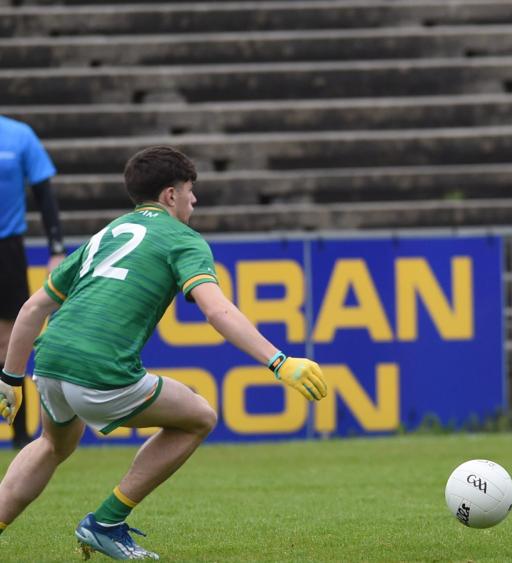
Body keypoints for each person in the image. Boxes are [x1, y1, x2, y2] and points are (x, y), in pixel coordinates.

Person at [0, 146, 328, 560]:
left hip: (49, 362)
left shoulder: (107, 233)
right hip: (99, 370)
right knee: (199, 417)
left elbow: (33, 308)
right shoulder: (182, 239)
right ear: (170, 195)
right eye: (191, 190)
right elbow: (217, 310)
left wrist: (10, 378)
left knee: (52, 444)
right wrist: (279, 361)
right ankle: (105, 523)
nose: (195, 200)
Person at [0, 115, 65, 449]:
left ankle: (19, 433)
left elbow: (44, 195)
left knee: (11, 341)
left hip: (7, 249)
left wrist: (56, 246)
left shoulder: (19, 135)